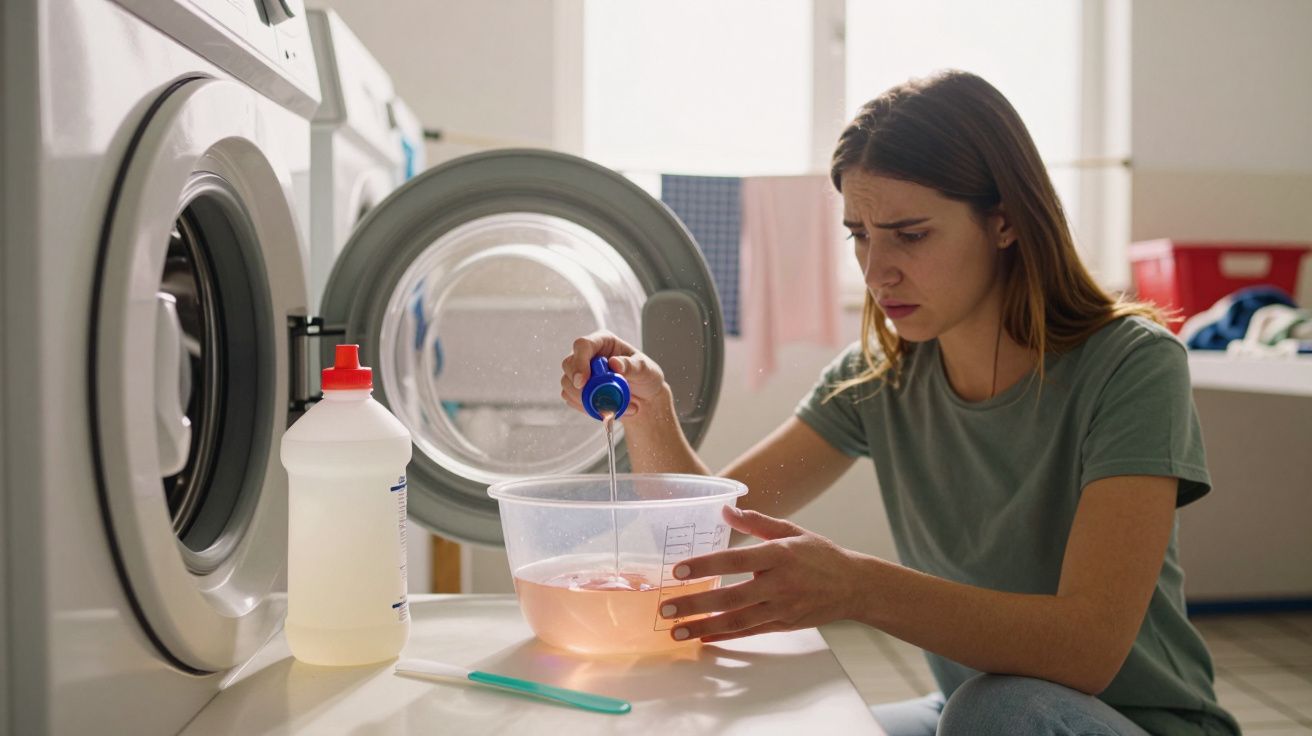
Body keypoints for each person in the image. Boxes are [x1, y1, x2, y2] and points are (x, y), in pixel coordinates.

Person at [559, 70, 1238, 736]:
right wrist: (649, 407)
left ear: (1004, 222)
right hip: (968, 712)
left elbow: (1086, 652)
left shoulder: (1133, 365)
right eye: (859, 234)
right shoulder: (877, 379)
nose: (876, 270)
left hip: (1133, 724)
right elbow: (707, 528)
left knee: (992, 711)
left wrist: (856, 587)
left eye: (910, 235)